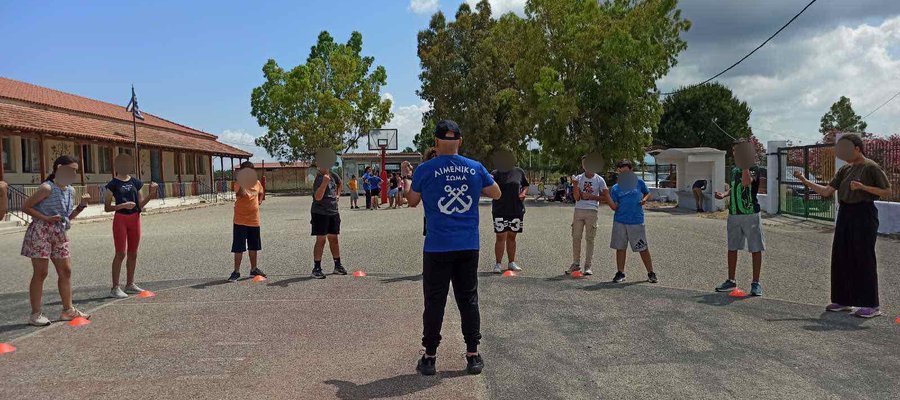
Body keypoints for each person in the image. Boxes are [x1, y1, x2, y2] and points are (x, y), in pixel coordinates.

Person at [405, 120, 501, 376]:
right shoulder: (475, 167)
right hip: (468, 245)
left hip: (437, 246)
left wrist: (410, 185)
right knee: (468, 299)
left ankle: (430, 356)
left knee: (434, 301)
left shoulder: (425, 169)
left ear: (435, 143)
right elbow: (497, 193)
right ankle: (472, 354)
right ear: (460, 141)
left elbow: (412, 201)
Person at [794, 133, 891, 318]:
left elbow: (887, 191)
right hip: (845, 213)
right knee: (841, 256)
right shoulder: (845, 170)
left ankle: (872, 304)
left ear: (857, 148)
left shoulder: (871, 167)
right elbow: (826, 191)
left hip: (864, 213)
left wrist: (863, 187)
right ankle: (843, 300)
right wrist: (804, 181)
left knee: (864, 258)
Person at [21, 155, 91, 326]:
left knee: (66, 270)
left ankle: (68, 310)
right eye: (71, 170)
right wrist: (45, 218)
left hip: (59, 232)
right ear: (59, 168)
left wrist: (81, 206)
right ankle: (35, 314)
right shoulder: (46, 188)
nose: (73, 174)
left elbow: (67, 217)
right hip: (41, 231)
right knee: (41, 272)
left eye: (75, 171)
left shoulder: (71, 190)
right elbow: (25, 207)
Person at [714, 139, 767, 296]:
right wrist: (724, 194)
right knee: (732, 248)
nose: (736, 153)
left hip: (750, 214)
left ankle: (756, 283)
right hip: (734, 214)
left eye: (739, 150)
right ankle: (731, 280)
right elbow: (735, 186)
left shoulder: (753, 168)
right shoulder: (735, 169)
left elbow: (745, 183)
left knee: (755, 248)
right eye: (735, 150)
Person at [104, 154, 159, 298]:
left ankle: (130, 284)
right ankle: (115, 287)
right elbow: (107, 207)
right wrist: (122, 205)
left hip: (135, 218)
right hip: (120, 219)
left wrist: (151, 194)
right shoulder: (112, 184)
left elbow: (140, 204)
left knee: (133, 252)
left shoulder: (136, 182)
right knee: (120, 253)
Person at [607, 160, 658, 283]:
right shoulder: (615, 188)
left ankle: (651, 272)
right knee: (620, 247)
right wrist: (605, 197)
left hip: (636, 220)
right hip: (620, 220)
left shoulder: (639, 182)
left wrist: (644, 199)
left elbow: (647, 192)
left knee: (642, 247)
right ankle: (620, 272)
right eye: (621, 171)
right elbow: (614, 204)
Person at [566, 156, 610, 276]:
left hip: (592, 210)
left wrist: (591, 197)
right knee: (576, 237)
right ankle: (575, 263)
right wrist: (575, 185)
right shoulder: (579, 178)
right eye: (584, 164)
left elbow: (606, 197)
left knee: (590, 239)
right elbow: (576, 198)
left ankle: (588, 265)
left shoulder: (599, 179)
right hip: (579, 210)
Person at [228, 161, 266, 282]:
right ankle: (236, 271)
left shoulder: (257, 183)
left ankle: (253, 269)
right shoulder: (239, 184)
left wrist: (259, 201)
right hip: (240, 220)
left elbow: (261, 192)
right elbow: (240, 194)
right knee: (238, 247)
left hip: (254, 220)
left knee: (254, 246)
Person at [490, 157, 529, 273]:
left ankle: (511, 262)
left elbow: (526, 185)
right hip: (500, 209)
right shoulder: (495, 173)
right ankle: (498, 264)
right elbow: (489, 185)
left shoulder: (519, 172)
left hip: (516, 209)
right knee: (500, 237)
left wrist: (523, 192)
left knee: (512, 237)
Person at [311, 160, 345, 279]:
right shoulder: (319, 178)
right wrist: (324, 183)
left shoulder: (333, 175)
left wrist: (338, 195)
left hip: (333, 212)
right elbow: (318, 197)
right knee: (321, 240)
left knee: (334, 238)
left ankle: (337, 265)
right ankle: (316, 268)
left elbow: (340, 183)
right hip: (320, 212)